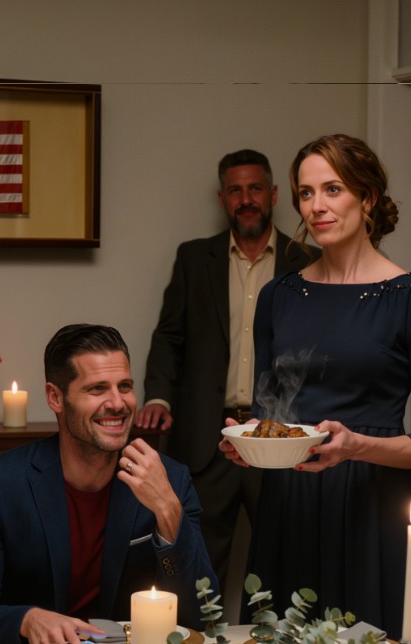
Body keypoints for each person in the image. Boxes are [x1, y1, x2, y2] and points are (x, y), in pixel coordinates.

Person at [222, 133, 411, 644]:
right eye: (306, 194)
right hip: (290, 506)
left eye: (333, 189)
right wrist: (250, 445)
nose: (317, 206)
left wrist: (356, 446)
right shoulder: (279, 296)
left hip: (373, 506)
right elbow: (269, 412)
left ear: (367, 197)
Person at [0, 324, 217, 644]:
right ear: (55, 397)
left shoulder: (169, 479)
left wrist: (167, 510)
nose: (117, 403)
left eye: (125, 386)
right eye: (97, 389)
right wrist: (28, 620)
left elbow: (203, 614)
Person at [136, 149, 318, 592]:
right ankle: (193, 638)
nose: (246, 199)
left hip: (276, 440)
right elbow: (169, 336)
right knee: (196, 564)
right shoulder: (194, 258)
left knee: (285, 560)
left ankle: (279, 638)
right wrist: (158, 397)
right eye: (235, 190)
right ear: (222, 199)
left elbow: (319, 351)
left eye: (255, 188)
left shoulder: (309, 261)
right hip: (208, 441)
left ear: (274, 194)